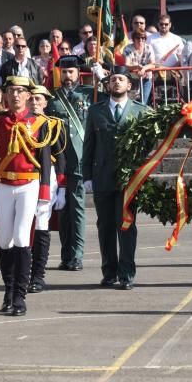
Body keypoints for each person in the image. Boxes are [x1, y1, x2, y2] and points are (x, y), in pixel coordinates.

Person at [0, 76, 52, 316]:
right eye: (11, 91)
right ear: (6, 95)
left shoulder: (39, 122)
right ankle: (8, 292)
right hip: (2, 184)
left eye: (21, 91)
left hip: (29, 184)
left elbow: (44, 161)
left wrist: (45, 194)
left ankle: (20, 296)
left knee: (22, 238)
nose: (16, 95)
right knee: (4, 240)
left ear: (29, 95)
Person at [83, 68, 148, 289]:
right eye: (113, 80)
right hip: (102, 178)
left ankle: (127, 273)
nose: (117, 82)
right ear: (107, 85)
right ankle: (109, 272)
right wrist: (87, 177)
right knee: (105, 227)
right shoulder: (96, 112)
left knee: (127, 226)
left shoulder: (141, 111)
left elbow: (149, 148)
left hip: (129, 180)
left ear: (129, 85)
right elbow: (88, 146)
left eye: (121, 79)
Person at [45, 55, 101, 271]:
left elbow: (113, 96)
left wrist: (101, 76)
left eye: (71, 72)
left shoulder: (91, 94)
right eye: (64, 72)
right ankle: (66, 254)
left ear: (78, 73)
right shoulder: (52, 98)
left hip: (79, 161)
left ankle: (77, 255)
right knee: (62, 211)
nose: (67, 76)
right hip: (59, 162)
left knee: (77, 209)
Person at [28, 85, 67, 293]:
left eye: (38, 99)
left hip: (46, 177)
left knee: (41, 223)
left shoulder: (54, 124)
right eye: (31, 99)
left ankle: (38, 276)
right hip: (23, 177)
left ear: (45, 103)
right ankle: (24, 274)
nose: (34, 102)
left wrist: (62, 187)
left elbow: (60, 155)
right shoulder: (20, 123)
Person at [124, 30, 155, 105]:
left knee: (143, 102)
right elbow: (127, 65)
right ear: (134, 39)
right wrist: (137, 66)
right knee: (131, 102)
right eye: (138, 38)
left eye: (143, 38)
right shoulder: (128, 48)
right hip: (132, 79)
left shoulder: (148, 47)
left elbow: (153, 64)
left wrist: (143, 69)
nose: (140, 40)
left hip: (146, 78)